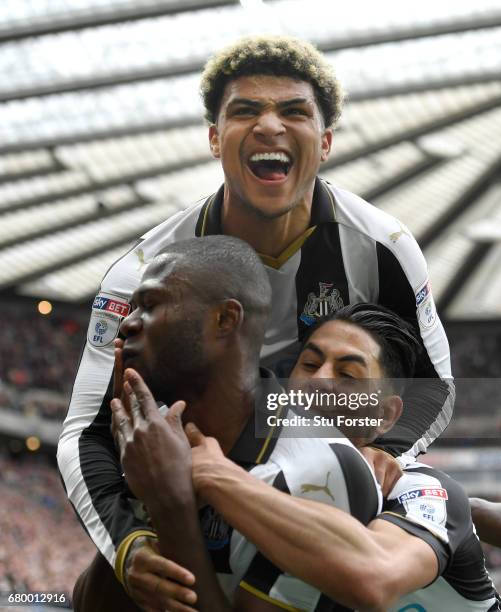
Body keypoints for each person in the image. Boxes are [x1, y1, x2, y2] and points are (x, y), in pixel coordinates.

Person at [58, 33, 453, 608]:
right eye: (246, 110)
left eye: (293, 110)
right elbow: (85, 431)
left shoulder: (382, 248)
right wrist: (128, 542)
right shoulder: (143, 274)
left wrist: (382, 448)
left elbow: (431, 387)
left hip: (315, 495)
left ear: (327, 140)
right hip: (187, 484)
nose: (270, 126)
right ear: (215, 138)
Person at [74, 235, 383, 611]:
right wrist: (138, 506)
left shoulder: (320, 469)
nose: (128, 325)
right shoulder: (159, 441)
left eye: (150, 305)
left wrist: (168, 504)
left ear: (224, 319)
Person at [158, 304, 501, 611]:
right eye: (309, 363)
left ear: (385, 416)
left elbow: (376, 578)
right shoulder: (267, 482)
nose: (320, 380)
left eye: (348, 375)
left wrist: (214, 477)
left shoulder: (418, 489)